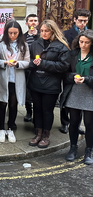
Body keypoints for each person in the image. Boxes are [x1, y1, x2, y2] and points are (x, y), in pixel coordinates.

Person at [28, 19, 70, 148]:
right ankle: (38, 133)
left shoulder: (61, 46)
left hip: (51, 84)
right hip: (36, 82)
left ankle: (46, 135)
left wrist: (43, 63)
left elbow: (64, 66)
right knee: (37, 109)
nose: (43, 33)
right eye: (41, 31)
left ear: (53, 31)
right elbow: (29, 61)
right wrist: (33, 64)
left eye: (46, 31)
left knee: (47, 110)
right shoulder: (36, 44)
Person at [0, 20, 30, 143]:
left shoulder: (24, 45)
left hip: (17, 78)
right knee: (2, 102)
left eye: (15, 33)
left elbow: (27, 62)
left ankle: (10, 127)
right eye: (10, 33)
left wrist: (18, 63)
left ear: (19, 33)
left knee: (13, 104)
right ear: (6, 32)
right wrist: (5, 63)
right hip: (4, 77)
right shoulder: (0, 44)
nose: (13, 35)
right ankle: (1, 128)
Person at [61, 30, 93, 164]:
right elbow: (65, 73)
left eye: (87, 42)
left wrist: (86, 79)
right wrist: (72, 77)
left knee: (89, 124)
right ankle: (72, 148)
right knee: (73, 122)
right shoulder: (72, 54)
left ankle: (89, 150)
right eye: (81, 42)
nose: (83, 45)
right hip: (74, 92)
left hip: (89, 93)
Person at [60, 9, 91, 134]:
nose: (82, 23)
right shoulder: (67, 34)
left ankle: (76, 124)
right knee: (66, 97)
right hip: (71, 67)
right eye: (80, 20)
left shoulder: (90, 34)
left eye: (85, 21)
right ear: (74, 20)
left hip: (86, 71)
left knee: (82, 102)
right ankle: (64, 123)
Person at [23, 13, 39, 122]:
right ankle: (28, 111)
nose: (33, 22)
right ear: (27, 23)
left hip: (37, 67)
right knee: (26, 90)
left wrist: (36, 36)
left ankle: (36, 114)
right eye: (31, 20)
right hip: (26, 67)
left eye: (35, 20)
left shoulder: (40, 36)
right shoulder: (23, 36)